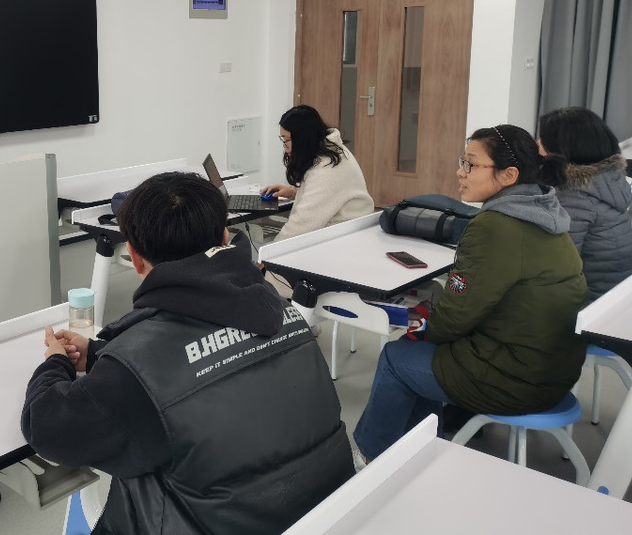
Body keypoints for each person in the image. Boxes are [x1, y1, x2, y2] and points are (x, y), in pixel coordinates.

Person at [22, 172, 353, 534]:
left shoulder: (136, 371)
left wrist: (56, 362)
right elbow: (197, 366)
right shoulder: (283, 311)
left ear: (134, 258)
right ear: (224, 238)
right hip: (324, 517)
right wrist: (104, 353)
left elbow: (48, 429)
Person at [352, 125, 587, 463]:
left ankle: (370, 460)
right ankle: (418, 451)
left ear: (508, 175)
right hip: (554, 370)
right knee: (419, 346)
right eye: (462, 162)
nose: (459, 173)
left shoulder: (494, 226)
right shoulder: (546, 215)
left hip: (517, 379)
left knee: (396, 356)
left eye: (471, 164)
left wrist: (413, 317)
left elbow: (452, 320)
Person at [537, 107, 632, 300]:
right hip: (615, 295)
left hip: (590, 302)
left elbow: (556, 267)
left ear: (562, 147)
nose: (537, 144)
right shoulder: (608, 180)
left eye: (543, 139)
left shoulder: (574, 197)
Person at [260, 105, 374, 241]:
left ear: (303, 138)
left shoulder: (326, 170)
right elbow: (328, 195)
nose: (285, 146)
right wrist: (294, 192)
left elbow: (302, 225)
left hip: (345, 238)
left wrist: (269, 250)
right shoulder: (332, 150)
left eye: (287, 140)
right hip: (348, 229)